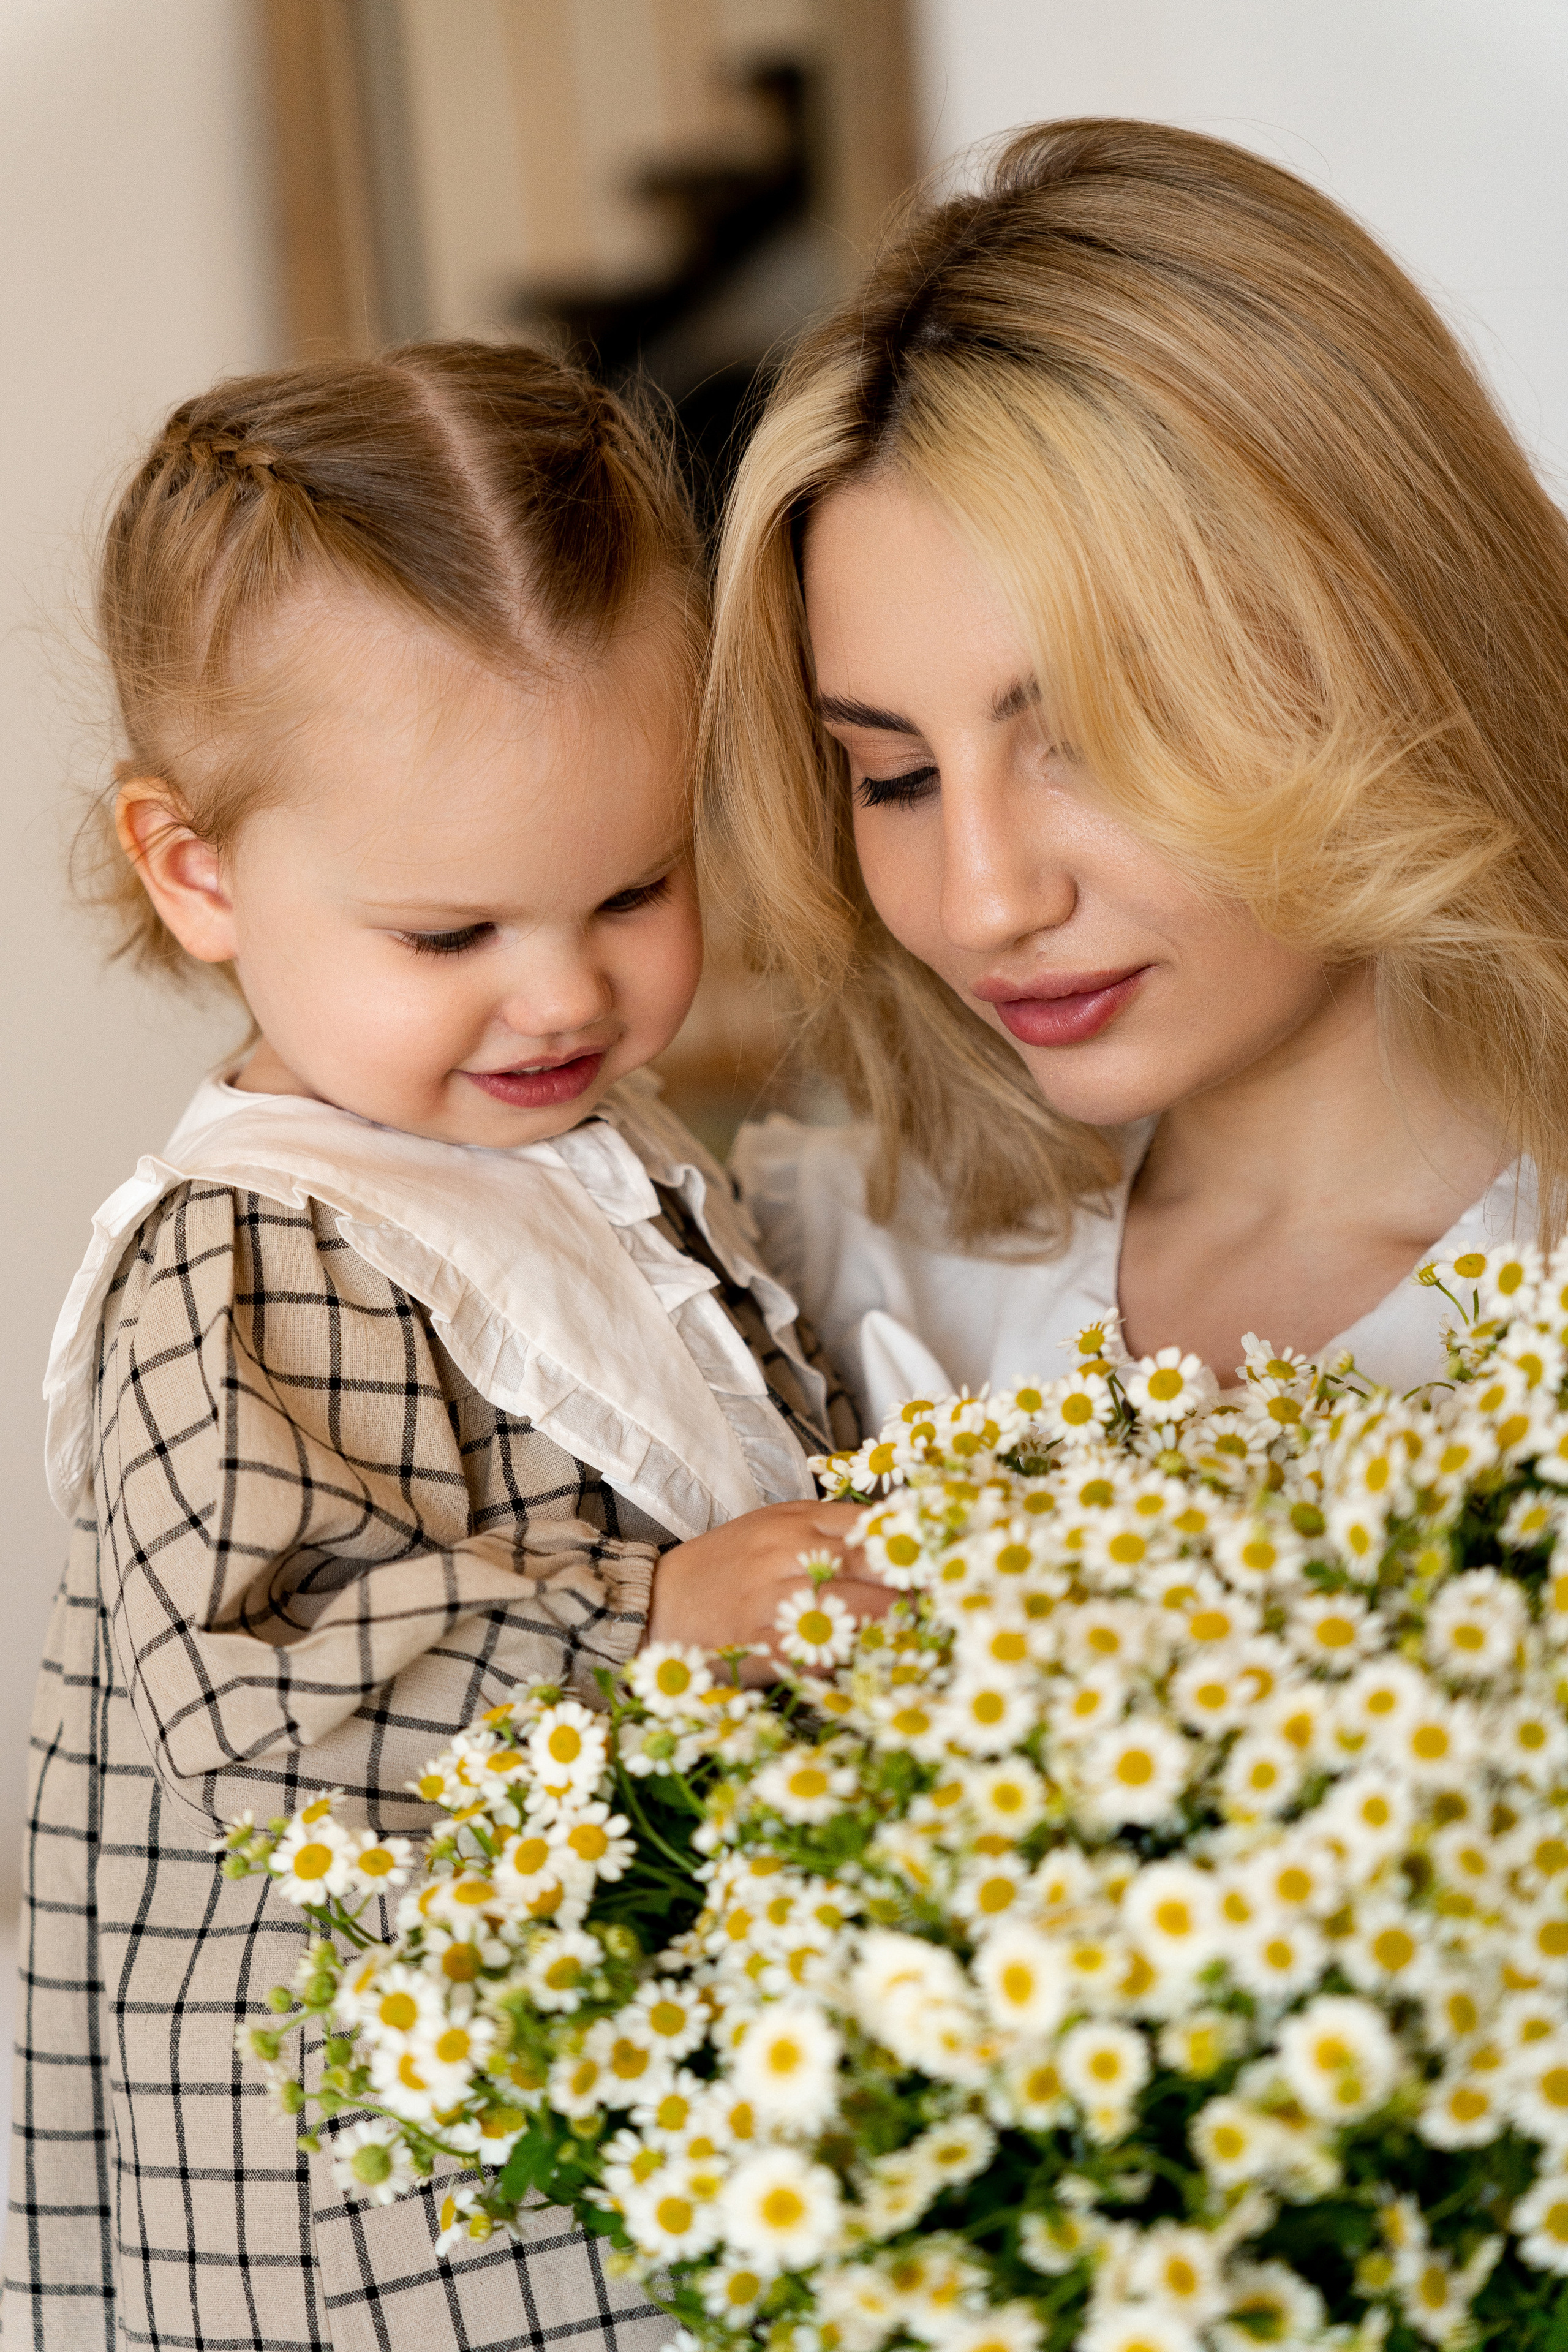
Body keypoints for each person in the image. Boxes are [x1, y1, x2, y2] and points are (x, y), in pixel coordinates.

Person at [9, 342, 876, 2352]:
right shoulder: (245, 1261)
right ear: (195, 869)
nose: (563, 989)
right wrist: (648, 1626)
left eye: (632, 889)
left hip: (622, 2052)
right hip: (375, 2185)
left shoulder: (573, 1148)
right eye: (449, 934)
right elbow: (279, 1669)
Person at [700, 118, 1568, 1431]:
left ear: (1387, 642)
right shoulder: (815, 1283)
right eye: (894, 777)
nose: (985, 903)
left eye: (1092, 742)